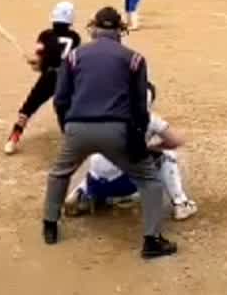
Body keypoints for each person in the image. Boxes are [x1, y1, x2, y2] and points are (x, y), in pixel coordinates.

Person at [41, 7, 178, 259]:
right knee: (149, 179)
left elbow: (60, 100)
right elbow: (140, 107)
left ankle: (50, 226)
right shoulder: (134, 58)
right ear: (119, 30)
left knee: (59, 173)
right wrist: (137, 139)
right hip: (117, 130)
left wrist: (67, 129)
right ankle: (152, 240)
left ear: (93, 28)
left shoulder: (74, 57)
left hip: (77, 126)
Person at [64, 83, 198, 221]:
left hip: (95, 182)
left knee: (102, 157)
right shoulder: (150, 119)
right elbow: (176, 142)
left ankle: (83, 193)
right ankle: (181, 204)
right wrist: (150, 147)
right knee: (166, 157)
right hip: (123, 183)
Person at [5, 1, 82, 155]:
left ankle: (14, 138)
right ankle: (73, 142)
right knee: (70, 109)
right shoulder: (75, 37)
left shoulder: (45, 35)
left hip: (49, 76)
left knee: (29, 107)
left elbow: (39, 65)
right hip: (68, 78)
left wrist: (34, 62)